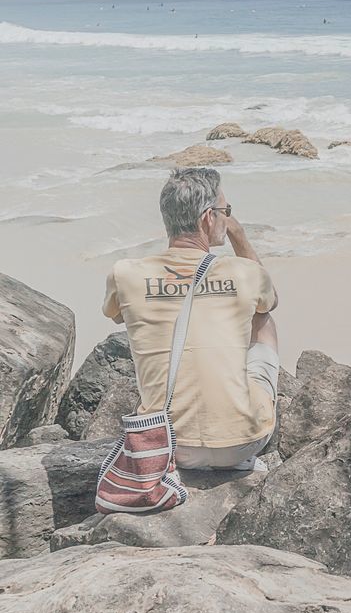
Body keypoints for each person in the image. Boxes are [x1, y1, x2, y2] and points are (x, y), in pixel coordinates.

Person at [103, 167, 280, 470]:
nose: (228, 217)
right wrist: (238, 234)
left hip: (166, 444)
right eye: (226, 211)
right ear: (208, 218)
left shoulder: (126, 274)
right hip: (241, 442)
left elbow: (118, 317)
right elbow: (269, 300)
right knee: (262, 321)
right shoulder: (244, 272)